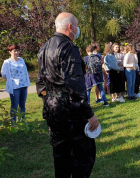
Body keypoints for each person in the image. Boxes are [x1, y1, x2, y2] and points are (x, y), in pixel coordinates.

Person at [36, 12, 99, 177]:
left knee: (61, 156)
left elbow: (40, 85)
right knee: (82, 156)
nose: (78, 30)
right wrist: (89, 114)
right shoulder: (68, 48)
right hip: (70, 112)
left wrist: (50, 99)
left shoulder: (44, 48)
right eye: (77, 26)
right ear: (70, 27)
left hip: (52, 111)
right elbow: (75, 85)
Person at [1, 44, 31, 123]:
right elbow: (3, 74)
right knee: (14, 105)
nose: (17, 52)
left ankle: (22, 121)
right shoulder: (7, 62)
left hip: (23, 85)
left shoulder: (21, 60)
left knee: (22, 105)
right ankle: (13, 123)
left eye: (18, 50)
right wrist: (12, 79)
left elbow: (25, 71)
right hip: (15, 87)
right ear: (10, 52)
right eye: (15, 51)